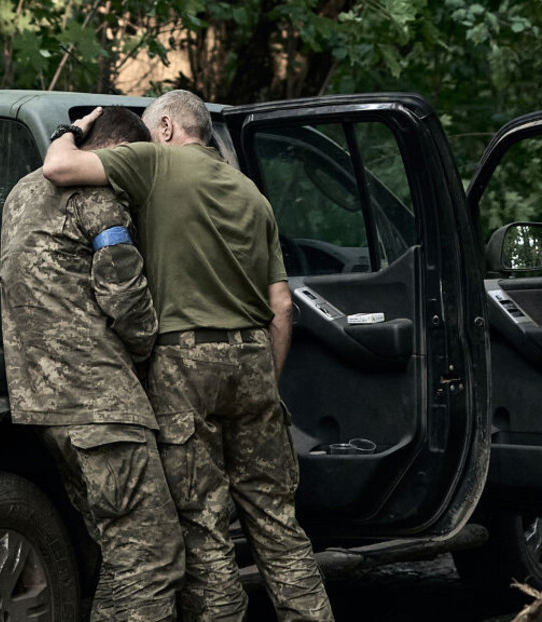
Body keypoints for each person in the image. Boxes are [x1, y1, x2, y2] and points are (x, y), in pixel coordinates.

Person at [41, 91, 333, 622]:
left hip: (184, 361)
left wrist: (76, 129)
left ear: (169, 128)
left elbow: (59, 168)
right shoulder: (252, 195)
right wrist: (265, 382)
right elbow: (282, 306)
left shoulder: (155, 162)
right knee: (278, 524)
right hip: (254, 360)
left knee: (204, 526)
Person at [0, 107, 184, 622]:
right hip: (100, 404)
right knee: (151, 559)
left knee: (119, 552)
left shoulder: (21, 193)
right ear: (122, 154)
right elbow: (124, 296)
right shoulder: (100, 198)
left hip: (42, 402)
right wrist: (147, 347)